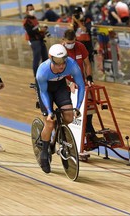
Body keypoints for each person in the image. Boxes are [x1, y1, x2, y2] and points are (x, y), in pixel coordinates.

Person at [36, 44, 85, 173]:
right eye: (57, 63)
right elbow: (44, 93)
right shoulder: (42, 71)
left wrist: (78, 107)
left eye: (63, 62)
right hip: (46, 91)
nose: (61, 66)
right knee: (50, 122)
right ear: (50, 59)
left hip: (60, 86)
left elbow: (81, 85)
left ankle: (56, 134)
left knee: (69, 116)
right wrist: (50, 111)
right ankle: (44, 152)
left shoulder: (72, 64)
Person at [62, 29, 100, 143]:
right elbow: (57, 70)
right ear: (63, 40)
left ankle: (88, 130)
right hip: (66, 85)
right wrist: (69, 82)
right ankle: (66, 135)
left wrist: (89, 77)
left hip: (80, 84)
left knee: (88, 108)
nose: (70, 45)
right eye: (68, 43)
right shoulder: (60, 51)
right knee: (69, 112)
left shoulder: (80, 47)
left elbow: (87, 63)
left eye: (72, 42)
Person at [23, 3, 48, 77]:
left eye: (33, 9)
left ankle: (45, 74)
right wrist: (40, 30)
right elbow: (30, 32)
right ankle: (37, 76)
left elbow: (37, 28)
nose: (32, 11)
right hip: (34, 41)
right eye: (30, 9)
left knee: (45, 58)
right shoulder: (26, 20)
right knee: (37, 58)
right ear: (27, 11)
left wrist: (43, 30)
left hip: (40, 40)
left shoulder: (34, 18)